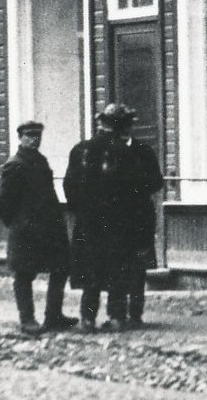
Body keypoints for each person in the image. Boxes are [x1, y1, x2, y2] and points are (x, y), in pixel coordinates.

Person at [64, 102, 163, 331]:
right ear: (122, 126)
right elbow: (137, 190)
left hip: (89, 224)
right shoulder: (124, 152)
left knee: (91, 275)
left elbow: (70, 188)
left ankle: (87, 320)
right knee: (117, 271)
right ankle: (117, 317)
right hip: (119, 224)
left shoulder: (81, 150)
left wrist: (84, 211)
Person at [0, 120, 70, 335]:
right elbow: (1, 200)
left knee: (60, 269)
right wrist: (16, 222)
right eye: (30, 135)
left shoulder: (40, 161)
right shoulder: (14, 164)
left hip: (49, 227)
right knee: (24, 274)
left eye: (38, 136)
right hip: (26, 231)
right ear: (20, 137)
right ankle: (27, 319)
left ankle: (53, 316)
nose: (35, 139)